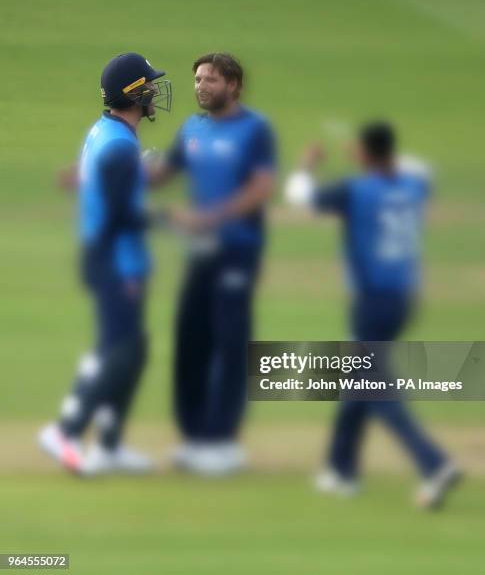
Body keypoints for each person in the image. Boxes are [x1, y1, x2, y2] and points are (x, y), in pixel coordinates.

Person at [285, 121, 461, 508]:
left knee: (372, 388)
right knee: (358, 377)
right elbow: (421, 168)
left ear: (365, 154)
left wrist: (306, 165)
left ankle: (434, 463)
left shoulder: (355, 191)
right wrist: (376, 155)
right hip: (402, 299)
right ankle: (339, 469)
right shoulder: (414, 185)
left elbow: (299, 196)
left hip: (371, 301)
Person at [38, 53, 172, 475]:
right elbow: (121, 214)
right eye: (148, 85)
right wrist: (167, 219)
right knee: (121, 350)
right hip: (116, 259)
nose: (154, 90)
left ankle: (110, 445)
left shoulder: (108, 132)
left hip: (108, 255)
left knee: (131, 349)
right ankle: (66, 431)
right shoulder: (118, 148)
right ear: (133, 93)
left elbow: (99, 181)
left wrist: (137, 173)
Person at [150, 53, 277, 474]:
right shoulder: (192, 129)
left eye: (211, 80)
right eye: (199, 79)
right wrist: (106, 170)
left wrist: (209, 217)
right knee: (191, 340)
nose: (201, 86)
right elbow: (164, 173)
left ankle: (222, 442)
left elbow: (260, 189)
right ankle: (195, 436)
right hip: (201, 254)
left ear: (234, 86)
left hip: (238, 250)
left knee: (229, 342)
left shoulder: (254, 129)